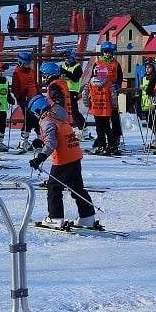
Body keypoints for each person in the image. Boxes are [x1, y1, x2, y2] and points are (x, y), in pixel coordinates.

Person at [27, 94, 99, 230]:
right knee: (77, 188)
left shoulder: (46, 120)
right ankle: (87, 217)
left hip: (63, 159)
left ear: (37, 110)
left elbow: (52, 142)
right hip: (75, 154)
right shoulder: (58, 115)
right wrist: (41, 141)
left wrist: (40, 158)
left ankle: (55, 218)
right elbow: (58, 135)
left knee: (54, 188)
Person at [81, 64, 118, 155]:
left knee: (99, 128)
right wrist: (114, 106)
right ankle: (112, 145)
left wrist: (88, 104)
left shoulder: (90, 83)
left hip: (96, 109)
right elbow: (113, 96)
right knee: (107, 127)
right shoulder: (109, 83)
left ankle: (102, 146)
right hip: (106, 109)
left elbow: (84, 94)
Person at [11, 51, 39, 151]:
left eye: (29, 64)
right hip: (25, 100)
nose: (28, 66)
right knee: (29, 120)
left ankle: (40, 139)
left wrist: (39, 94)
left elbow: (35, 84)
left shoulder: (32, 72)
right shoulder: (17, 73)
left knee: (37, 119)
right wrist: (20, 98)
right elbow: (15, 88)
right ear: (21, 63)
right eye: (26, 64)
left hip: (35, 100)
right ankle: (23, 141)